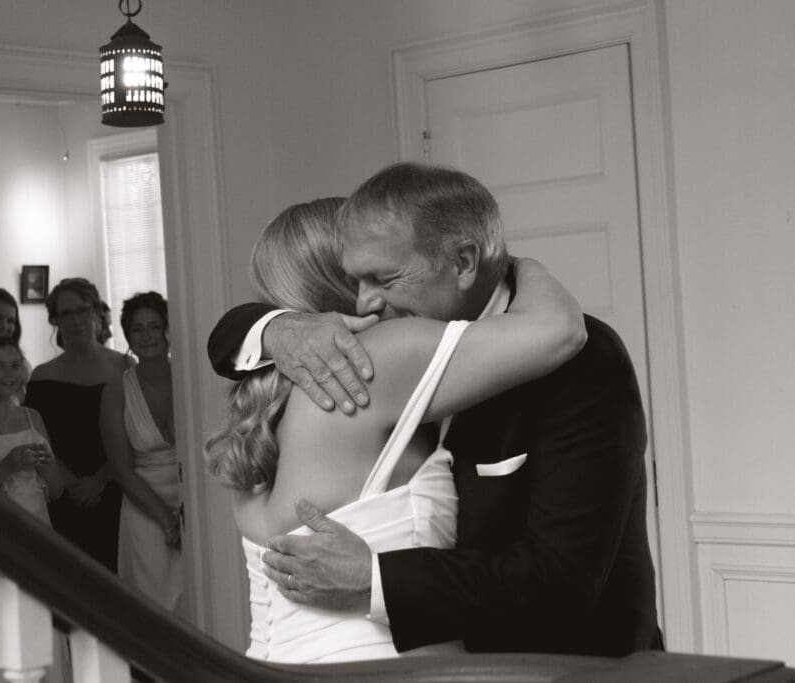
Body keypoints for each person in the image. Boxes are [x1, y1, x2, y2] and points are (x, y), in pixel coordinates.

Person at [207, 163, 663, 657]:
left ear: (463, 262)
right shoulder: (375, 362)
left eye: (381, 277)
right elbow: (556, 326)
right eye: (356, 280)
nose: (367, 301)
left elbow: (563, 579)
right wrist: (525, 265)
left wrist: (376, 580)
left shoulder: (583, 363)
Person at [25, 277, 133, 572]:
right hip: (63, 492)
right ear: (55, 320)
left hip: (116, 488)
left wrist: (100, 479)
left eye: (83, 309)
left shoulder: (124, 367)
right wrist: (71, 483)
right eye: (66, 313)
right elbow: (38, 437)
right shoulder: (42, 376)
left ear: (96, 311)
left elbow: (134, 433)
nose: (75, 320)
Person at [0, 336, 74, 683]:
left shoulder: (32, 417)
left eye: (14, 365)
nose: (8, 373)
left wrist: (46, 463)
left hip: (39, 521)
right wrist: (9, 464)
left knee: (42, 606)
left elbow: (56, 488)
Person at [99, 292, 184, 612]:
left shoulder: (189, 380)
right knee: (153, 604)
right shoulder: (117, 390)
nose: (147, 336)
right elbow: (121, 470)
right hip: (145, 509)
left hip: (194, 501)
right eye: (138, 329)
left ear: (169, 330)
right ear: (128, 336)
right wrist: (167, 522)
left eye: (155, 326)